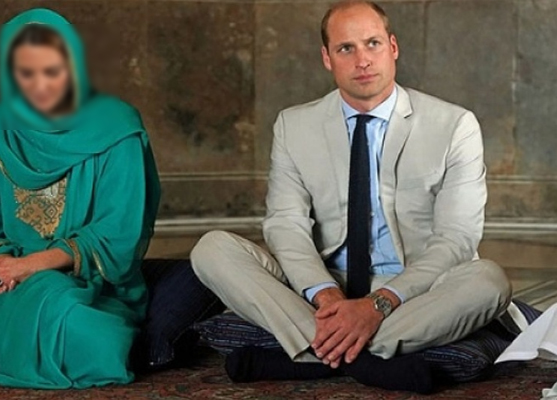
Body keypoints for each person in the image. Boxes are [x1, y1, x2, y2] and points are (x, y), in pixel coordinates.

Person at [191, 0, 512, 393]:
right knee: (212, 249)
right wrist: (325, 296)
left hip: (415, 290)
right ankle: (364, 357)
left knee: (489, 282)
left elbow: (456, 239)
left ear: (393, 47)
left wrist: (379, 304)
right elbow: (286, 224)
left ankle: (313, 354)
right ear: (327, 58)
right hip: (324, 284)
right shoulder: (294, 125)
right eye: (346, 48)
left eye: (372, 43)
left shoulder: (454, 125)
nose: (363, 60)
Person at [0, 8, 161, 389]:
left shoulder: (118, 128)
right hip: (13, 286)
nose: (40, 86)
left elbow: (119, 234)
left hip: (94, 286)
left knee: (99, 342)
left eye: (53, 72)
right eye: (26, 74)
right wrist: (1, 272)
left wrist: (31, 266)